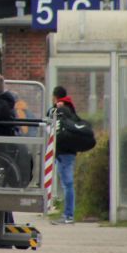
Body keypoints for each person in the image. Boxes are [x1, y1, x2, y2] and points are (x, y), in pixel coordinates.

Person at [50, 85, 79, 224]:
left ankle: (68, 215)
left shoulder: (62, 109)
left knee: (67, 183)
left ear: (55, 97)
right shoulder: (70, 108)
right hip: (69, 150)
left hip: (65, 152)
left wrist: (56, 107)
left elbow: (49, 116)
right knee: (66, 183)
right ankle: (68, 214)